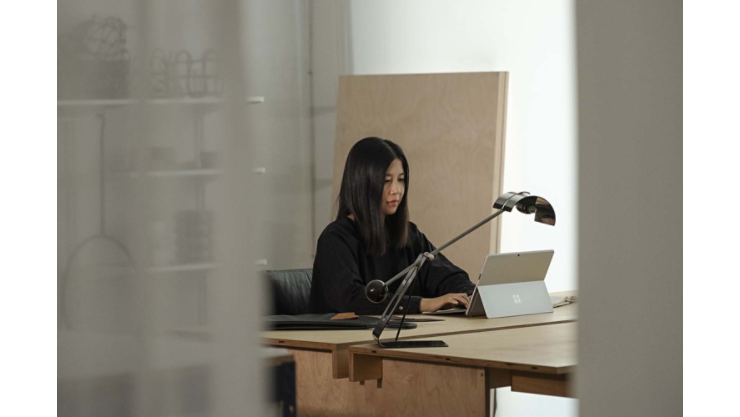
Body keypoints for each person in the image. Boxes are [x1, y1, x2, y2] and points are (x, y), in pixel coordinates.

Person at [309, 137, 476, 315]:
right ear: (362, 183)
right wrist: (423, 304)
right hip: (343, 339)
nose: (396, 189)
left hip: (400, 337)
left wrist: (469, 295)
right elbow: (351, 300)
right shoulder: (335, 239)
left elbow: (448, 277)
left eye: (401, 179)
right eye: (386, 181)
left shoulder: (409, 234)